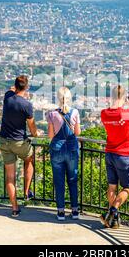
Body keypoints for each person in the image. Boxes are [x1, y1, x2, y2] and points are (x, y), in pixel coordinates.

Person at [0, 75, 38, 217]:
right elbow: (32, 127)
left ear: (15, 86)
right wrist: (35, 134)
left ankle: (14, 208)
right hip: (19, 141)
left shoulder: (7, 97)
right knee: (29, 159)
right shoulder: (26, 105)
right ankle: (26, 192)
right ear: (26, 87)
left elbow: (10, 89)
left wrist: (14, 88)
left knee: (10, 177)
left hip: (4, 141)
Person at [100, 85, 129, 229]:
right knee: (127, 187)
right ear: (123, 97)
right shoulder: (127, 113)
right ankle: (114, 210)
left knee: (112, 187)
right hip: (124, 155)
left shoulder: (104, 113)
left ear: (111, 96)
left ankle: (112, 219)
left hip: (109, 153)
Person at [46, 87, 81, 221]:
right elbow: (77, 133)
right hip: (72, 149)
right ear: (69, 98)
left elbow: (50, 135)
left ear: (58, 98)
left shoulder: (51, 114)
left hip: (57, 149)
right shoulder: (75, 112)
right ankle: (75, 210)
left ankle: (61, 211)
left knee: (59, 181)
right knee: (73, 180)